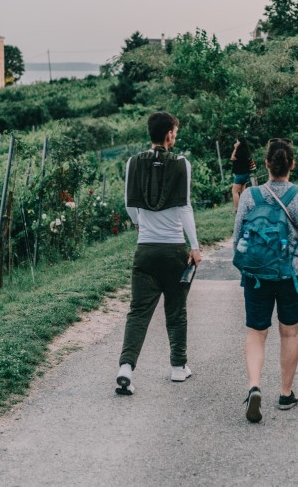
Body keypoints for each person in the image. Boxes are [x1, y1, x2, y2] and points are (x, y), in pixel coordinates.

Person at [234, 138, 298, 422]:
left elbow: (237, 238)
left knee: (256, 333)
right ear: (292, 165)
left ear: (266, 165)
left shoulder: (250, 196)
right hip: (292, 275)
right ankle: (286, 394)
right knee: (289, 333)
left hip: (257, 274)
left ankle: (254, 386)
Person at [116, 111, 202, 395]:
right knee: (176, 310)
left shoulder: (133, 163)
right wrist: (195, 246)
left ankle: (126, 368)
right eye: (175, 132)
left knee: (138, 311)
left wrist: (140, 224)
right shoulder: (181, 164)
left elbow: (129, 204)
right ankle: (178, 368)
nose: (175, 137)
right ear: (168, 135)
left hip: (145, 251)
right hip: (174, 250)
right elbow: (184, 207)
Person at [229, 136, 254, 209]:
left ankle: (238, 209)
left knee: (234, 191)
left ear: (239, 143)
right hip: (246, 173)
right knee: (243, 191)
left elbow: (232, 157)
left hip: (240, 174)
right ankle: (245, 207)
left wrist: (235, 148)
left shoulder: (239, 152)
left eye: (237, 142)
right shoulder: (246, 151)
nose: (236, 143)